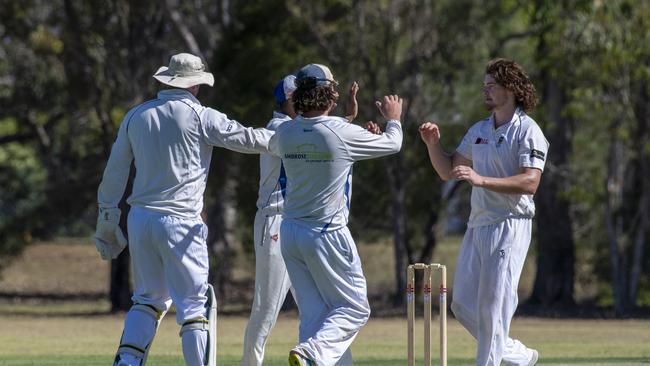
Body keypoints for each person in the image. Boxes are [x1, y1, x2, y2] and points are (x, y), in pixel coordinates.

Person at [93, 52, 273, 366]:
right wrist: (291, 137)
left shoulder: (136, 115)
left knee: (147, 301)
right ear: (196, 85)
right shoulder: (202, 116)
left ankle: (126, 363)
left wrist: (108, 214)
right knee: (195, 306)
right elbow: (248, 139)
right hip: (180, 221)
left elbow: (115, 170)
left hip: (140, 220)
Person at [269, 63, 403, 366]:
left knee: (317, 317)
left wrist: (347, 122)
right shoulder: (342, 132)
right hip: (326, 233)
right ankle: (311, 354)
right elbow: (393, 144)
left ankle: (311, 355)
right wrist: (393, 120)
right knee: (355, 309)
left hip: (291, 233)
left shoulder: (285, 133)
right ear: (329, 93)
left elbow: (312, 136)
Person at [419, 58, 548, 366]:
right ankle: (518, 355)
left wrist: (481, 180)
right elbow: (451, 170)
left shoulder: (528, 130)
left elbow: (530, 181)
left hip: (510, 224)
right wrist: (433, 146)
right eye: (485, 86)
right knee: (462, 303)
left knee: (493, 307)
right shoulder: (479, 130)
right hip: (478, 224)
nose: (486, 91)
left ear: (512, 89)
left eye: (493, 85)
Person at [241, 75, 360, 366]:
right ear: (290, 101)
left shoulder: (299, 128)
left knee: (322, 309)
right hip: (276, 221)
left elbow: (325, 133)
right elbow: (321, 134)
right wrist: (345, 119)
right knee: (266, 309)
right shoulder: (279, 128)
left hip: (300, 224)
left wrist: (348, 118)